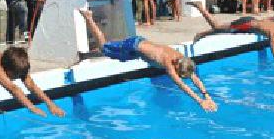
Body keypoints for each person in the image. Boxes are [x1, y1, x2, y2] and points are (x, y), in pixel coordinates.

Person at [76, 8, 216, 112]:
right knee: (104, 47)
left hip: (139, 50)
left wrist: (206, 95)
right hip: (133, 46)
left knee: (110, 54)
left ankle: (84, 56)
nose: (179, 75)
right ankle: (89, 17)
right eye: (179, 73)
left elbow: (193, 76)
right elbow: (181, 85)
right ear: (176, 66)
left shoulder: (182, 60)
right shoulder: (168, 62)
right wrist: (199, 101)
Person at [189, 1, 274, 84]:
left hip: (251, 23)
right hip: (246, 25)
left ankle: (202, 34)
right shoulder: (273, 35)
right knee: (217, 26)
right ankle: (200, 8)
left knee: (221, 30)